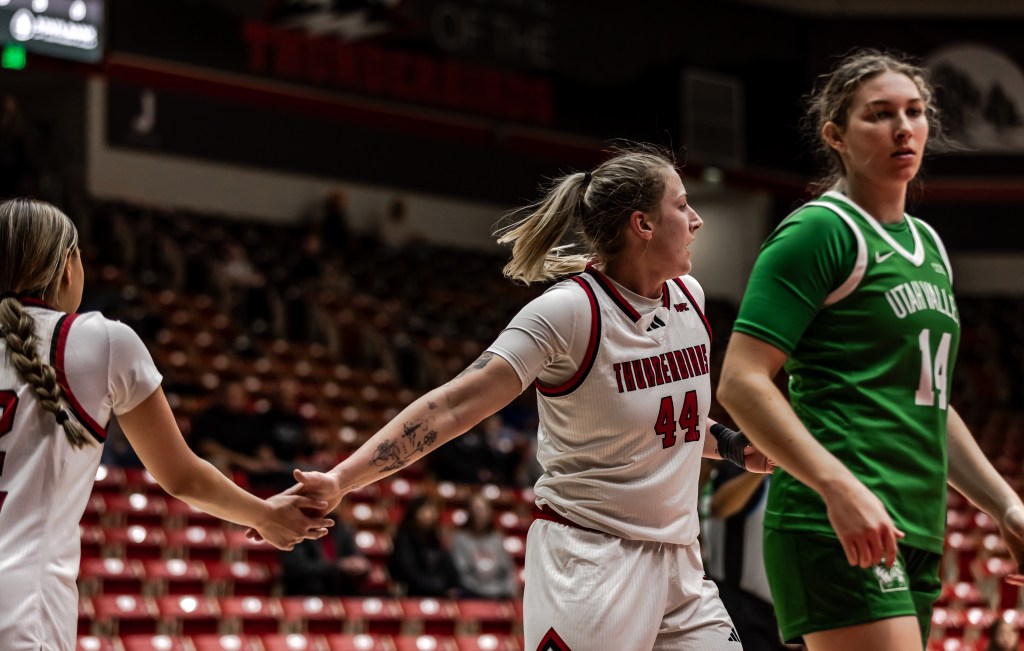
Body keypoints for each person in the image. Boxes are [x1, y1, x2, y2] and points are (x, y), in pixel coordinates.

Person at [275, 144, 774, 649]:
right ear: (642, 224)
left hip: (681, 561)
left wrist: (734, 447)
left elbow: (675, 422)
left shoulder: (691, 297)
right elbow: (452, 405)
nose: (697, 220)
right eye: (682, 204)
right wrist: (342, 478)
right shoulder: (568, 312)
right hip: (593, 561)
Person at [716, 49, 1024, 651]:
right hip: (835, 515)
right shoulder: (819, 231)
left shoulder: (928, 245)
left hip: (914, 524)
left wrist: (1006, 506)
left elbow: (929, 405)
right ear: (835, 134)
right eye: (879, 115)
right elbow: (742, 382)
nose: (903, 127)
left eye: (914, 112)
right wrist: (836, 485)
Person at [0, 198, 334, 651]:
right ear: (67, 267)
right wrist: (266, 515)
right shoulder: (100, 341)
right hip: (22, 612)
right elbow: (181, 475)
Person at [704, 462, 791, 650]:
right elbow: (718, 507)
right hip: (736, 605)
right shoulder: (742, 467)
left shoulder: (789, 482)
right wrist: (763, 468)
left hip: (773, 614)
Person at [280, 505, 371, 596]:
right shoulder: (298, 529)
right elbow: (296, 568)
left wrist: (360, 565)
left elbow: (355, 555)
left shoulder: (343, 529)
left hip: (340, 590)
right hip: (307, 592)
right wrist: (338, 566)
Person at [388, 495, 462, 598]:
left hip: (438, 591)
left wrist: (452, 585)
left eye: (432, 510)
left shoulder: (435, 539)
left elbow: (448, 567)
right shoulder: (404, 538)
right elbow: (408, 573)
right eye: (425, 510)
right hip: (413, 592)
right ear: (414, 513)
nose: (429, 515)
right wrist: (438, 587)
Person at [450, 494, 518, 600]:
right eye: (476, 509)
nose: (480, 513)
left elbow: (508, 571)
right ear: (469, 512)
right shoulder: (460, 540)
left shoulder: (497, 539)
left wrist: (506, 590)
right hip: (471, 596)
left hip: (499, 595)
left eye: (484, 509)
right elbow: (462, 574)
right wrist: (487, 591)